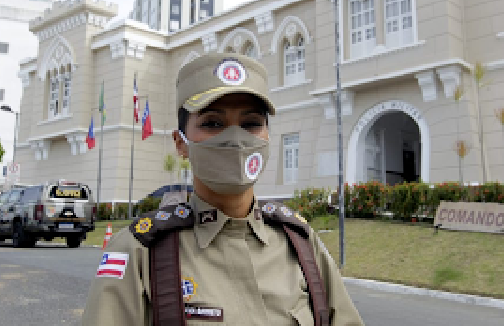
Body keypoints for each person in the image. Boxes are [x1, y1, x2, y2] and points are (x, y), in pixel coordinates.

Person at [82, 52, 364, 326]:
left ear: (267, 137)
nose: (235, 139)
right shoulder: (141, 251)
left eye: (251, 124)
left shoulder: (301, 244)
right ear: (180, 143)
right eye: (213, 123)